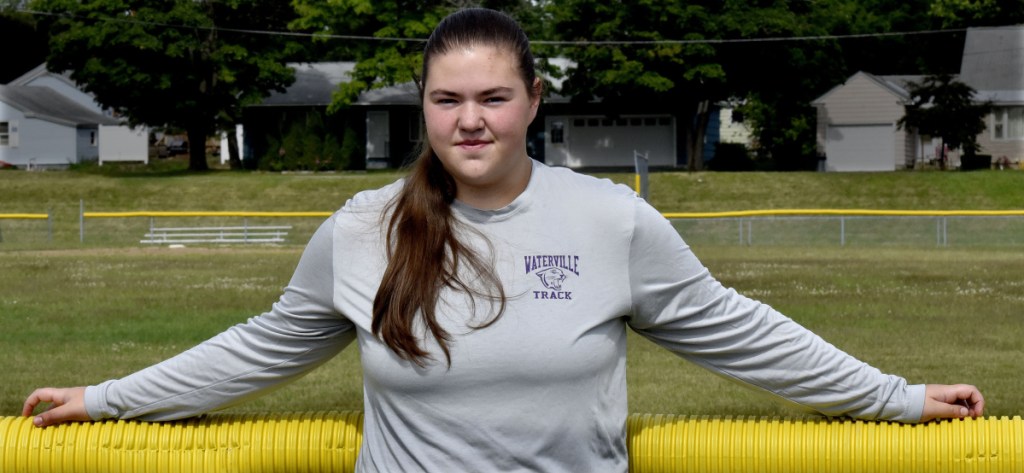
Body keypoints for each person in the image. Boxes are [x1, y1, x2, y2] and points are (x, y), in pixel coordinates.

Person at [24, 8, 983, 472]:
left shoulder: (611, 220)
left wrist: (897, 397)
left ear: (533, 100)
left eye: (492, 97)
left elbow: (743, 332)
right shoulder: (362, 230)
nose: (469, 120)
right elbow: (255, 348)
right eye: (448, 99)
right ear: (424, 109)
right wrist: (103, 398)